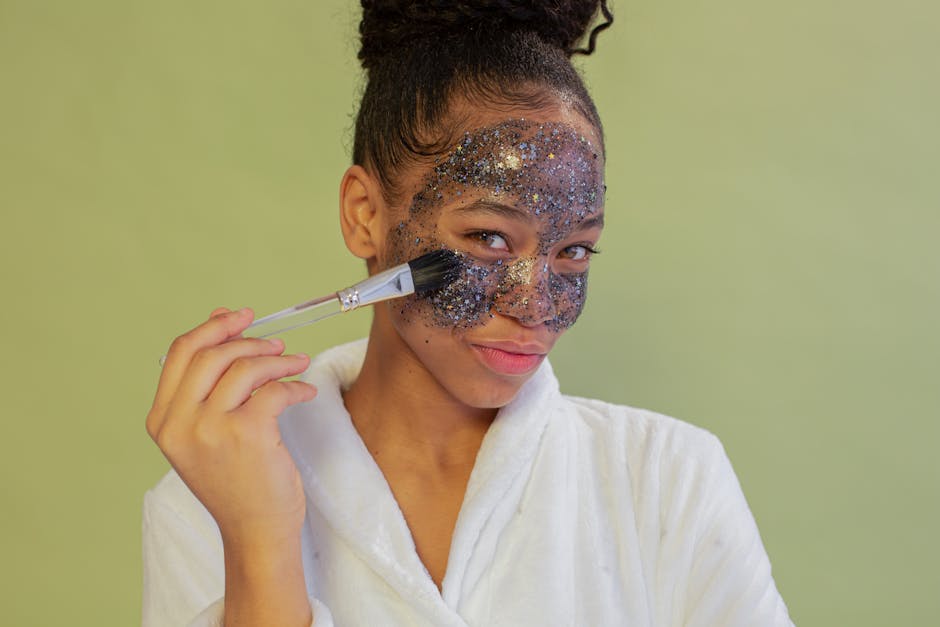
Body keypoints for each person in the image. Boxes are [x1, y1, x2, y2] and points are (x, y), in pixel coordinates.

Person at [142, 1, 794, 625]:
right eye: (488, 237)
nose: (534, 302)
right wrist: (258, 544)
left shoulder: (667, 479)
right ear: (365, 214)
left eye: (574, 249)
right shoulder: (208, 499)